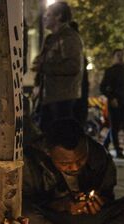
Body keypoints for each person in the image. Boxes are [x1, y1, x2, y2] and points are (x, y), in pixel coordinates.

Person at [32, 1, 84, 133]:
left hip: (62, 98)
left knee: (59, 138)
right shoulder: (51, 38)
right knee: (44, 136)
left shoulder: (69, 37)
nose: (44, 18)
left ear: (59, 16)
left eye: (48, 15)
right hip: (48, 97)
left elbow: (73, 66)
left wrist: (44, 67)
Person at [100, 48, 124, 159]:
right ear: (113, 57)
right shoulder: (110, 71)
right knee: (114, 126)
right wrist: (111, 97)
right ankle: (118, 150)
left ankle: (105, 145)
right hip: (114, 102)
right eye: (118, 55)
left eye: (122, 55)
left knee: (117, 126)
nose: (120, 57)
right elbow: (102, 87)